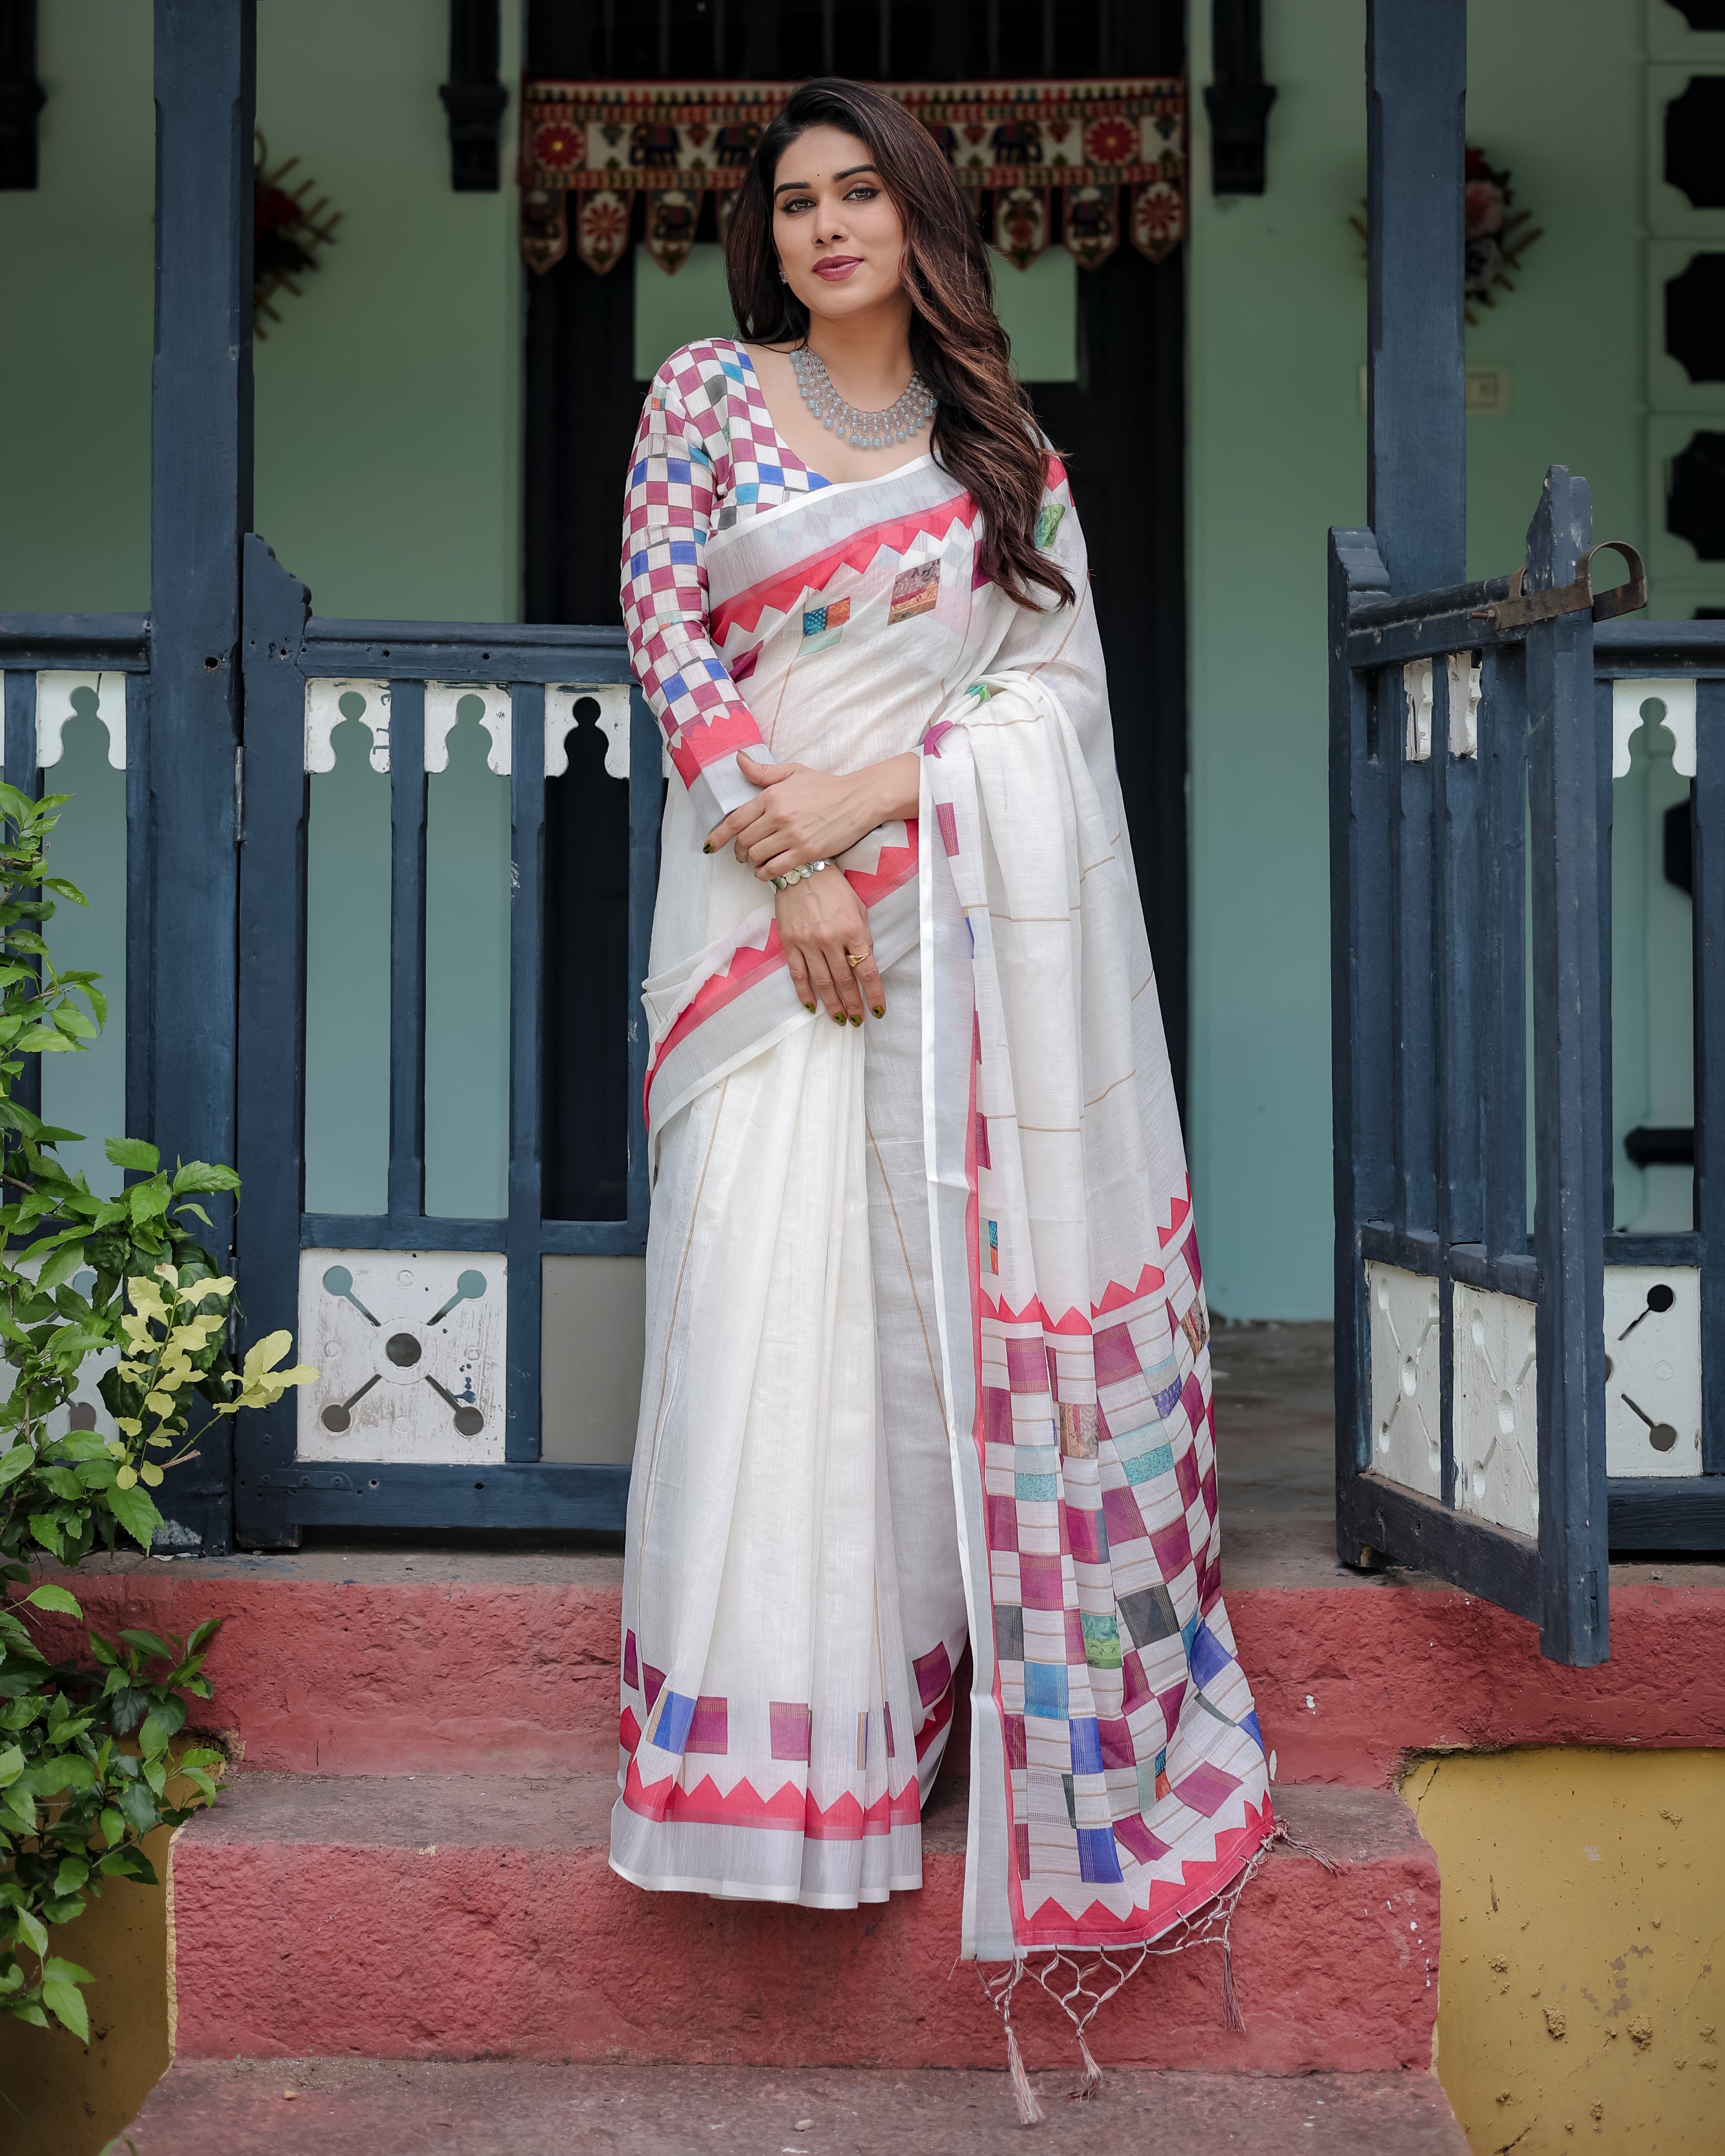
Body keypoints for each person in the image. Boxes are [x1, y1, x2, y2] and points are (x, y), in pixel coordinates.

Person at [613, 76, 1270, 2093]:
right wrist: (793, 861)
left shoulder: (1009, 458)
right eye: (790, 201)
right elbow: (669, 638)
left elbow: (1047, 704)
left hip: (955, 949)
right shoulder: (704, 402)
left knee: (914, 1337)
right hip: (756, 929)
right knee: (757, 1310)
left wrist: (894, 794)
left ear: (917, 219)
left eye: (854, 196)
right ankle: (755, 1765)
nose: (821, 228)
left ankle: (898, 1735)